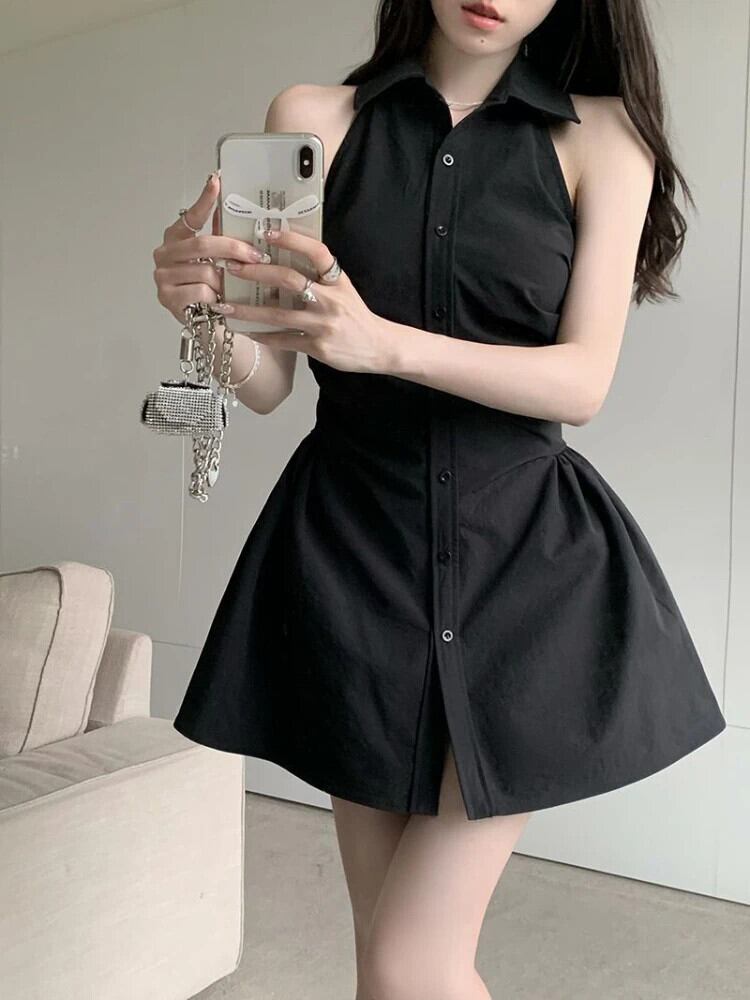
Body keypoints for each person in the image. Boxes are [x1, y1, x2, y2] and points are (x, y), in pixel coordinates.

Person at [152, 1, 727, 997]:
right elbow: (271, 378)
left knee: (408, 961)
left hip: (524, 570)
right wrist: (201, 312)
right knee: (389, 958)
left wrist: (382, 345)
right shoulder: (312, 118)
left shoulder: (603, 138)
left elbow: (581, 382)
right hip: (351, 561)